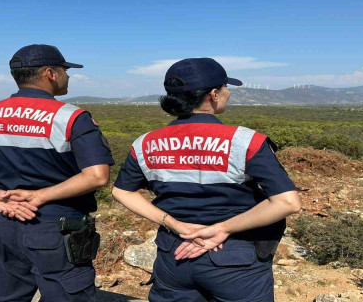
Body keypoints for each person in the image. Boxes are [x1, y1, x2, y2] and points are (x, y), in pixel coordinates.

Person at [112, 57, 301, 302]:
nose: (228, 94)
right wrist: (221, 229)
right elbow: (288, 202)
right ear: (213, 94)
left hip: (174, 254)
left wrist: (174, 224)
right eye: (225, 88)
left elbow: (121, 192)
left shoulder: (145, 143)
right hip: (235, 257)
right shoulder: (245, 142)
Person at [0, 44, 114, 302]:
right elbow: (97, 176)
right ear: (50, 73)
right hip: (57, 228)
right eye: (65, 70)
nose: (68, 75)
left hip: (2, 223)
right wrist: (40, 196)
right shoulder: (71, 117)